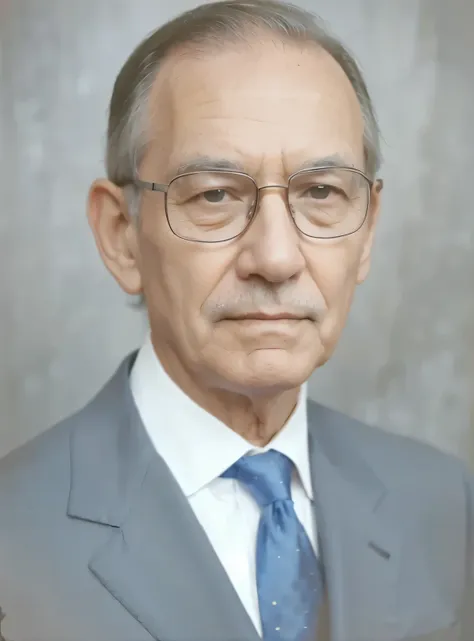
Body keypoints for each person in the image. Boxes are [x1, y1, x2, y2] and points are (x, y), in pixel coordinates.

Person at [0, 1, 472, 640]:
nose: (276, 258)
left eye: (322, 193)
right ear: (121, 236)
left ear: (366, 235)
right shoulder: (13, 539)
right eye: (215, 196)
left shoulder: (446, 505)